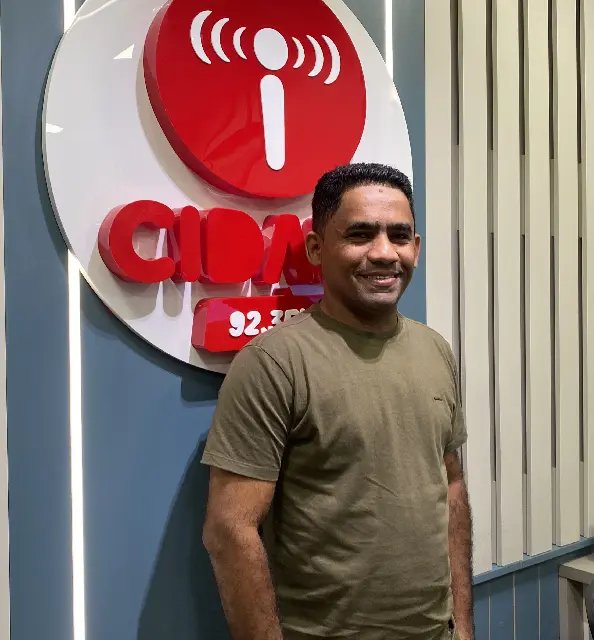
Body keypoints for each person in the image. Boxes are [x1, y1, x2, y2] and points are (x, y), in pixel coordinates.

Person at [201, 163, 473, 640]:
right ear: (316, 248)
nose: (384, 253)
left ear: (416, 247)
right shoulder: (274, 362)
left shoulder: (435, 350)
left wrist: (464, 627)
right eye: (360, 235)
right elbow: (230, 529)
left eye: (399, 236)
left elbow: (451, 486)